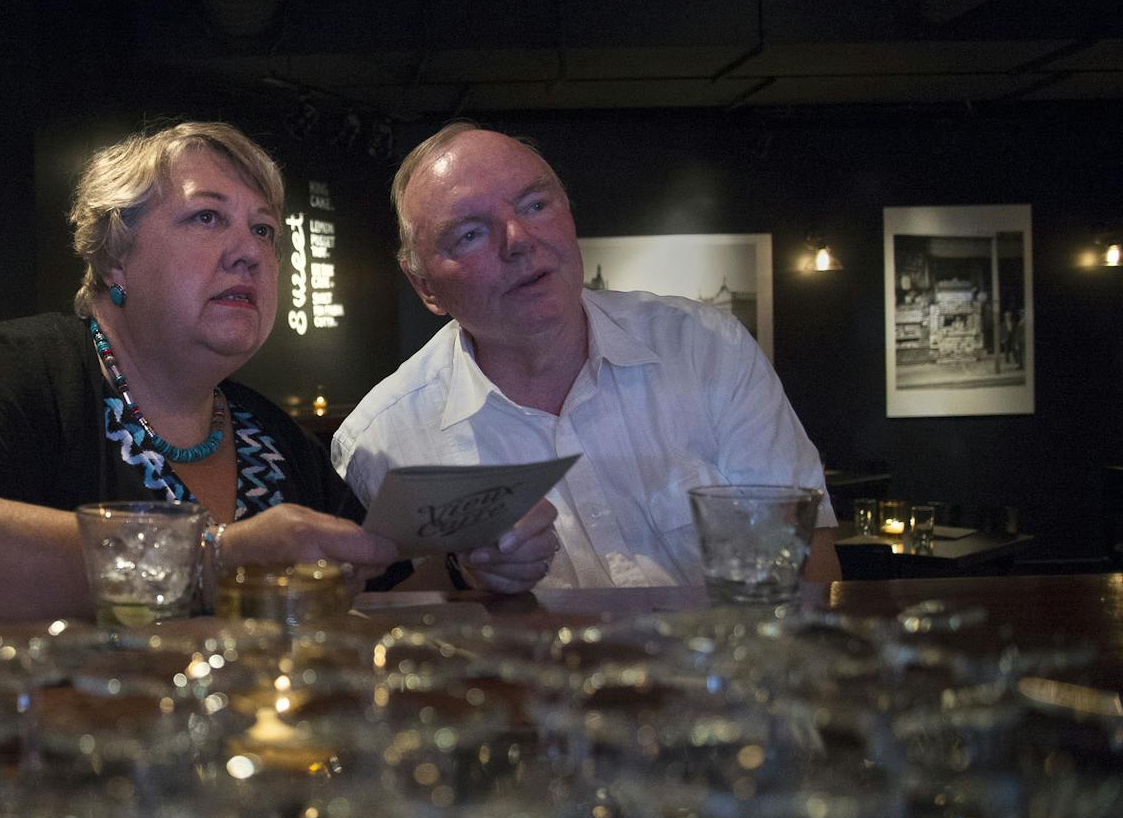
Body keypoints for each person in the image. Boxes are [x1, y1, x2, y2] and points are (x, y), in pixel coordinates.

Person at [0, 122, 415, 622]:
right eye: (207, 218)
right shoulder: (23, 370)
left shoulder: (273, 438)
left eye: (263, 230)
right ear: (114, 256)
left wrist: (478, 563)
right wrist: (210, 562)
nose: (250, 250)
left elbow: (388, 597)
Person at [332, 123, 841, 589]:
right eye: (470, 233)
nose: (520, 241)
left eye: (535, 206)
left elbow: (802, 560)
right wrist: (464, 574)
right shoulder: (383, 437)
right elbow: (399, 628)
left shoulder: (704, 347)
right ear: (424, 286)